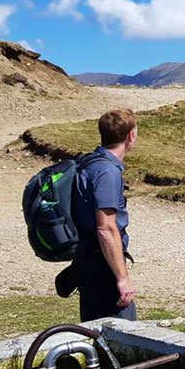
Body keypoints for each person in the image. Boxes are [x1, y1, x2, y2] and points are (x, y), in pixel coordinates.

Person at [63, 109, 139, 321]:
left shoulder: (88, 163)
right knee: (124, 336)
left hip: (85, 263)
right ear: (130, 136)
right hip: (102, 268)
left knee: (93, 334)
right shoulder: (107, 172)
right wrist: (122, 279)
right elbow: (105, 229)